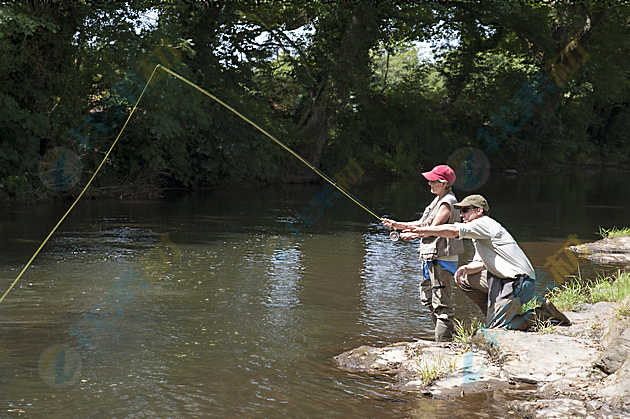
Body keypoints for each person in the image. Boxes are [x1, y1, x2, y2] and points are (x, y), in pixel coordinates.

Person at [388, 194, 569, 331]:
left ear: (479, 211)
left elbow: (452, 230)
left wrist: (418, 229)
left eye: (466, 210)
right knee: (466, 279)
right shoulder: (479, 234)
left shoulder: (484, 223)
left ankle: (543, 314)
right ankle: (494, 312)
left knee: (497, 328)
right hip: (503, 280)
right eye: (461, 211)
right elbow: (480, 264)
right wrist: (465, 268)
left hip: (519, 282)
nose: (462, 214)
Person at [381, 165, 464, 341]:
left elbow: (433, 229)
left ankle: (444, 345)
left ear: (443, 183)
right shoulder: (437, 200)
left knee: (441, 305)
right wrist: (397, 224)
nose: (429, 183)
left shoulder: (447, 202)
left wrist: (413, 233)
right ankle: (445, 338)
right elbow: (422, 223)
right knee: (429, 299)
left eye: (433, 181)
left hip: (441, 258)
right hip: (431, 257)